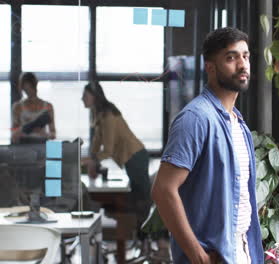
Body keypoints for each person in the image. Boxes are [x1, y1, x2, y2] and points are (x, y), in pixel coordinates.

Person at [152, 27, 263, 264]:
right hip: (213, 256)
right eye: (231, 57)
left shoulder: (238, 123)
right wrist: (197, 255)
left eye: (246, 56)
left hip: (241, 250)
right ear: (210, 67)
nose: (242, 65)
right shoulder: (196, 118)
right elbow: (163, 190)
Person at [81, 81, 151, 229]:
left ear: (95, 96)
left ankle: (146, 240)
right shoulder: (99, 115)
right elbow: (96, 142)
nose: (82, 99)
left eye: (85, 95)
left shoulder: (108, 116)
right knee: (138, 200)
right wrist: (91, 160)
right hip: (131, 158)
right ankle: (139, 239)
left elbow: (108, 151)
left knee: (142, 201)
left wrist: (90, 161)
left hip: (135, 157)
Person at [11, 72, 56, 144]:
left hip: (43, 142)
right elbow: (13, 133)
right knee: (55, 150)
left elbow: (53, 134)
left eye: (30, 86)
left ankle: (73, 150)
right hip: (24, 144)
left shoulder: (48, 106)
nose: (28, 89)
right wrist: (20, 131)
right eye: (26, 86)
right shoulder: (17, 107)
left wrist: (45, 134)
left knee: (55, 150)